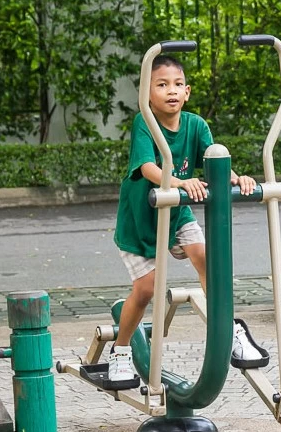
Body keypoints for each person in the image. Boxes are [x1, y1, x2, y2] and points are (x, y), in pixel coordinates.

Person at [109, 54, 262, 383]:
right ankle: (120, 350)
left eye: (177, 84)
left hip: (176, 212)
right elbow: (147, 167)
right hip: (140, 220)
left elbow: (215, 161)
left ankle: (228, 327)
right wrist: (179, 182)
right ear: (147, 94)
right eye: (162, 85)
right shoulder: (144, 123)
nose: (171, 91)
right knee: (147, 290)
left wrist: (237, 179)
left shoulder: (196, 125)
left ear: (188, 91)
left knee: (205, 258)